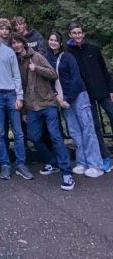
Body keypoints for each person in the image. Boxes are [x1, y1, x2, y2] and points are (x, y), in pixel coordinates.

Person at [11, 33, 74, 191]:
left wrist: (36, 68)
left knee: (56, 137)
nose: (17, 45)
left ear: (23, 43)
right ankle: (52, 162)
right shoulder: (16, 62)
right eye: (13, 43)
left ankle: (67, 172)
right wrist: (25, 111)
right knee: (34, 136)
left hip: (47, 104)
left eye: (18, 42)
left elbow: (53, 74)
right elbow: (22, 87)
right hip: (32, 107)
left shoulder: (37, 56)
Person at [46, 31, 103, 178]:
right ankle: (82, 162)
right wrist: (58, 97)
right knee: (74, 131)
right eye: (51, 39)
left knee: (87, 129)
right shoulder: (48, 58)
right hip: (63, 99)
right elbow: (49, 80)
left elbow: (77, 79)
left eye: (55, 40)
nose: (53, 42)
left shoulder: (68, 57)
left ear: (61, 43)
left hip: (78, 96)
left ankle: (95, 164)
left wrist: (68, 100)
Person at [0, 23, 32, 181]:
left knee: (18, 132)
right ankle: (5, 164)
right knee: (0, 133)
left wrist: (19, 96)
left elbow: (16, 75)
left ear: (0, 33)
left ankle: (21, 164)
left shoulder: (9, 52)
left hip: (11, 94)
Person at [67, 23, 113, 171]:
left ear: (83, 34)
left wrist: (111, 89)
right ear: (70, 35)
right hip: (86, 94)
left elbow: (104, 70)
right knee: (94, 126)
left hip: (104, 91)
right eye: (74, 33)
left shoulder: (93, 49)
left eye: (79, 32)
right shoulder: (69, 53)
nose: (77, 35)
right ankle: (105, 156)